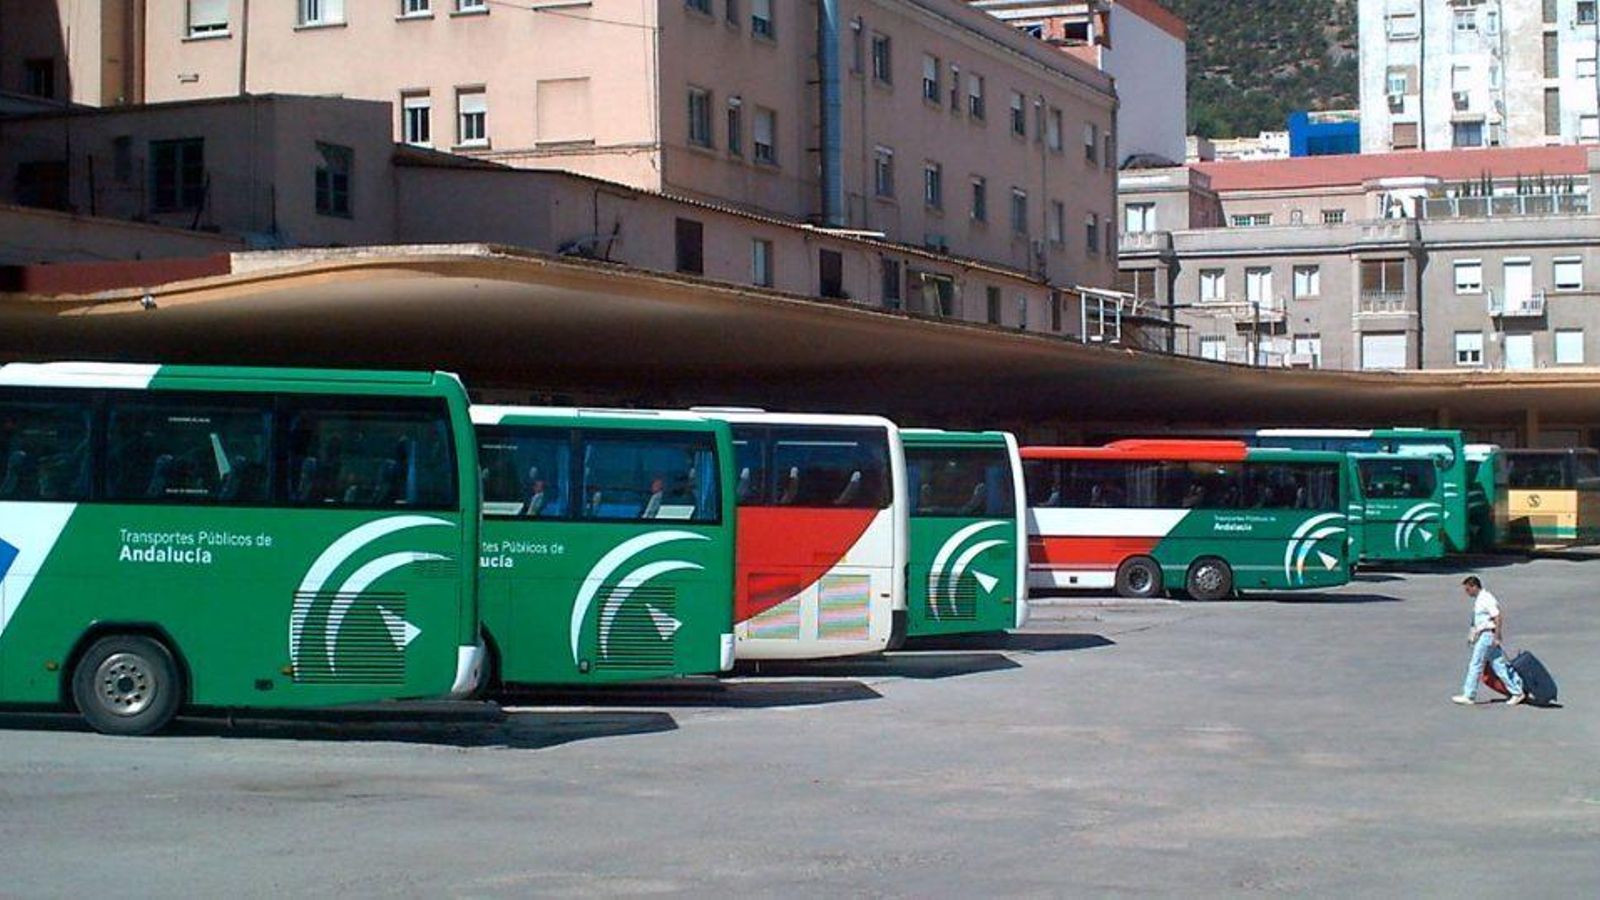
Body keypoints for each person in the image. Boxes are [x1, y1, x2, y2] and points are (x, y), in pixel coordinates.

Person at [1453, 576, 1525, 706]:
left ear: (1474, 586)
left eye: (1468, 589)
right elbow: (1479, 621)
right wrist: (1473, 634)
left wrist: (1497, 636)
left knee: (1475, 664)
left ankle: (1469, 695)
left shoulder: (1486, 599)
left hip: (1487, 635)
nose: (1467, 593)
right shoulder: (1480, 599)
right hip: (1485, 635)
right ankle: (1517, 691)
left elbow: (1497, 617)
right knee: (1499, 665)